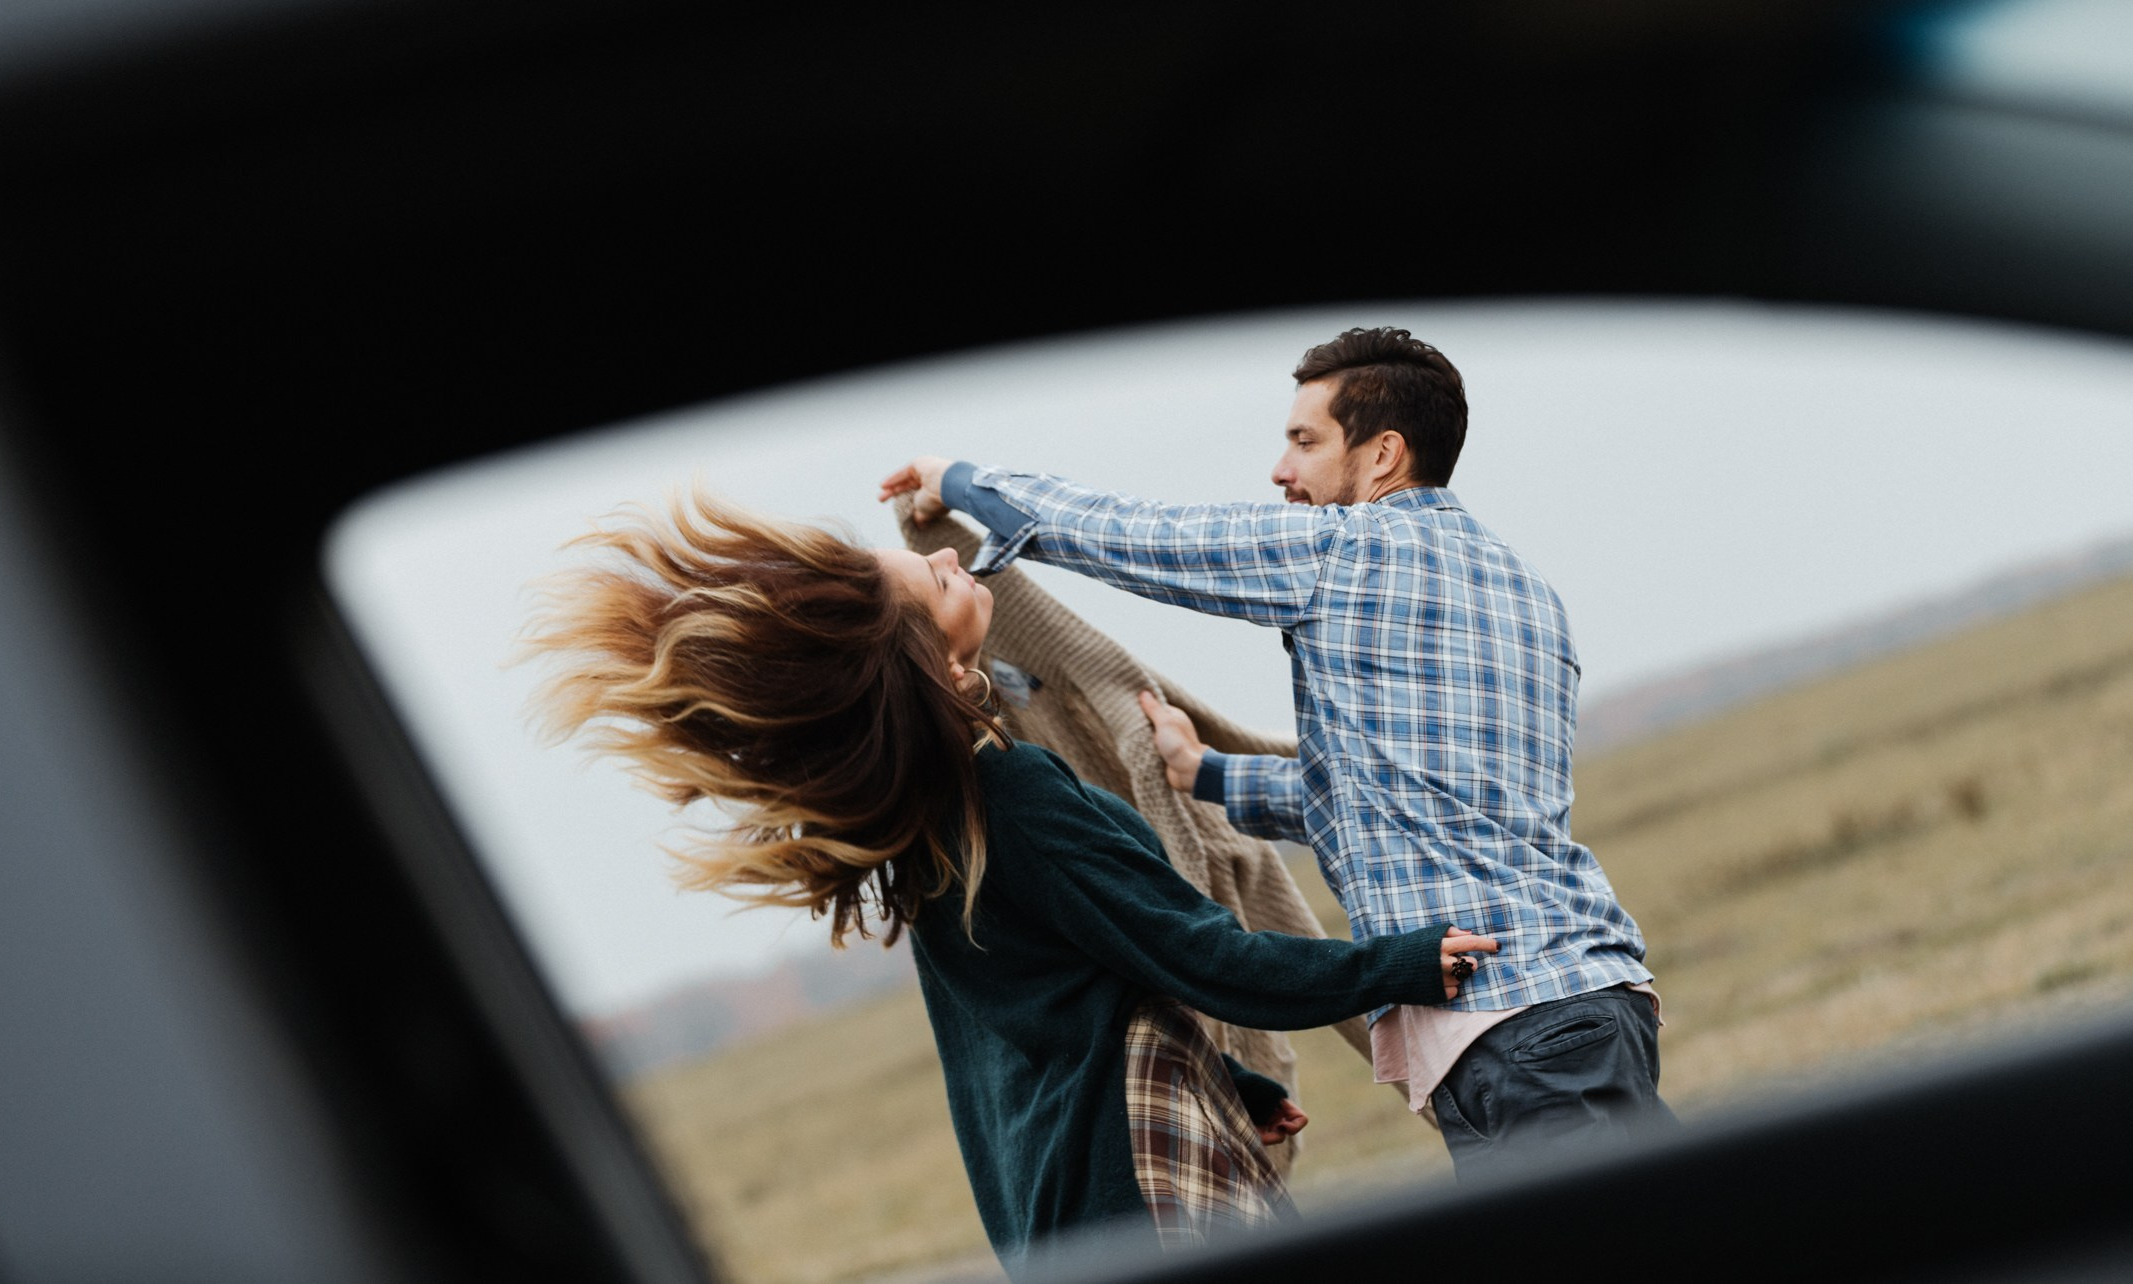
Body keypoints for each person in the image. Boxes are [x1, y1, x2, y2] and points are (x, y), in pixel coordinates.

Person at [522, 491, 1494, 1265]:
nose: (952, 560)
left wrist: (1225, 1079)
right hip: (1134, 1195)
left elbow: (1056, 1008)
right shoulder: (1010, 796)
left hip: (1057, 1204)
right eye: (934, 578)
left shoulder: (932, 827)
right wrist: (1403, 965)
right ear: (926, 662)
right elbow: (1215, 961)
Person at [881, 326, 1669, 1178]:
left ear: (1382, 456)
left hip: (1519, 1028)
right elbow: (1405, 797)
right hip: (1590, 1000)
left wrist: (956, 481)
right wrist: (1207, 774)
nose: (1279, 470)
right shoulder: (1522, 587)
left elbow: (1134, 535)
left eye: (1304, 441)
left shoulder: (1348, 553)